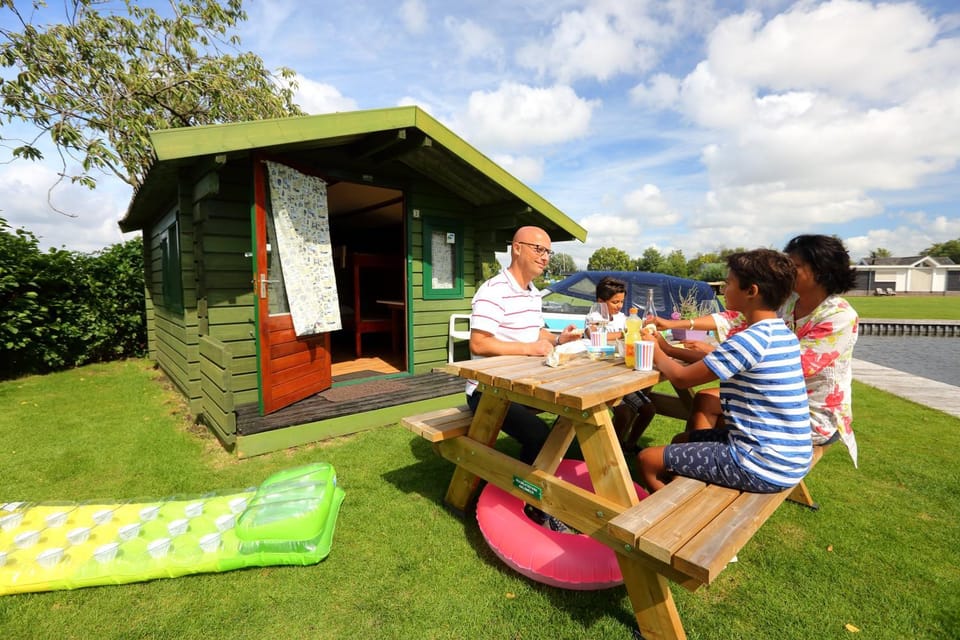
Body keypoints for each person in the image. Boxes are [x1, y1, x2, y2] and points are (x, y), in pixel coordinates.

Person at [650, 235, 860, 466]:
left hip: (807, 411)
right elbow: (736, 316)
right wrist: (676, 325)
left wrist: (714, 354)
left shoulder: (839, 316)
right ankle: (699, 463)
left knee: (716, 409)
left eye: (796, 266)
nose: (788, 271)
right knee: (705, 400)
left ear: (821, 271)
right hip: (770, 396)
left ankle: (712, 465)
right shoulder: (788, 302)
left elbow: (789, 365)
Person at [637, 249, 813, 493]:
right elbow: (716, 360)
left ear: (751, 291)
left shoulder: (749, 340)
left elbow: (681, 379)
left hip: (759, 463)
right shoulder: (780, 334)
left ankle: (672, 517)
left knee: (647, 459)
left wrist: (653, 348)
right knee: (680, 441)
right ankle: (683, 495)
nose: (723, 289)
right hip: (789, 456)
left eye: (729, 283)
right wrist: (666, 348)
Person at [467, 226, 582, 531]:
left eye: (548, 252)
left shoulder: (533, 294)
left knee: (577, 420)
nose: (545, 258)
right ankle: (534, 506)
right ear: (516, 248)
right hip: (488, 391)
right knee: (538, 435)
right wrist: (529, 349)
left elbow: (538, 333)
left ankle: (566, 491)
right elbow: (478, 343)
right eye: (538, 249)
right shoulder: (492, 291)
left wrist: (559, 339)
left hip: (525, 386)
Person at [587, 276, 658, 451]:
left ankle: (629, 444)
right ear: (601, 301)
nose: (619, 306)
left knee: (648, 409)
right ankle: (612, 451)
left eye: (621, 302)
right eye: (614, 302)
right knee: (624, 412)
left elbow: (633, 333)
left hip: (621, 372)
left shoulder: (622, 318)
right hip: (598, 376)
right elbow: (593, 334)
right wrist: (624, 334)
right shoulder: (594, 316)